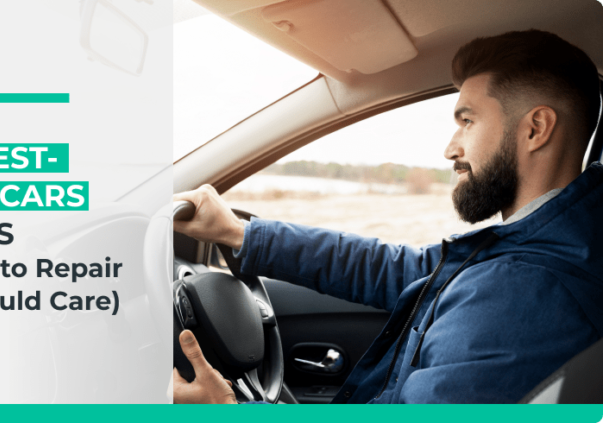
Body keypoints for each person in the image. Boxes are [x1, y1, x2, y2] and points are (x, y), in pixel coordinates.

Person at [171, 29, 603, 404]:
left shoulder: (523, 294)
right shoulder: (537, 247)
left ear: (536, 128)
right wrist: (241, 234)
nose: (451, 148)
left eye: (467, 121)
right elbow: (403, 269)